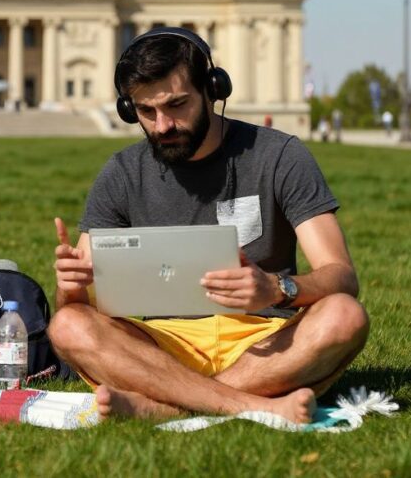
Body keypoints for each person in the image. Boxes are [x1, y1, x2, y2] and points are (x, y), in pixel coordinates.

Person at [48, 28, 369, 424]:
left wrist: (278, 288)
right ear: (130, 110)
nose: (163, 125)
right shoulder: (122, 173)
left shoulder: (280, 155)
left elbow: (341, 275)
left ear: (212, 90)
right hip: (161, 346)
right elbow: (77, 311)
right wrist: (70, 287)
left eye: (177, 105)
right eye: (146, 112)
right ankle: (253, 406)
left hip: (265, 341)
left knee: (345, 315)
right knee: (68, 325)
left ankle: (166, 407)